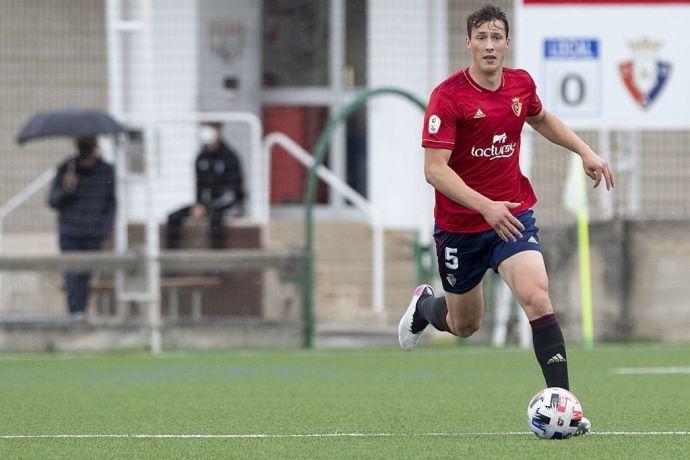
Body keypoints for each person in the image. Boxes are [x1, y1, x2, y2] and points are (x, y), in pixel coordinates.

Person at [398, 4, 615, 435]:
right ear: (469, 44)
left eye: (497, 37)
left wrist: (585, 151)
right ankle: (425, 305)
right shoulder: (448, 97)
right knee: (465, 325)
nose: (490, 45)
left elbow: (541, 118)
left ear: (507, 42)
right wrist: (484, 205)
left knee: (537, 297)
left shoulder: (520, 85)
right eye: (481, 37)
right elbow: (434, 170)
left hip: (512, 215)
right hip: (461, 227)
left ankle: (567, 407)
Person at [48, 136, 116, 317]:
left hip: (94, 233)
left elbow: (111, 203)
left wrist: (106, 229)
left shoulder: (106, 171)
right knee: (71, 275)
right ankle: (74, 314)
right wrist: (66, 189)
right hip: (70, 232)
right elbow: (53, 201)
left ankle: (81, 313)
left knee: (86, 277)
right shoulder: (66, 169)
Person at [166, 122, 246, 250]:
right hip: (207, 204)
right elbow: (200, 185)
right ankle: (172, 263)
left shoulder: (230, 157)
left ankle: (216, 265)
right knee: (173, 217)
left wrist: (209, 206)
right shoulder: (201, 157)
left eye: (210, 128)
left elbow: (234, 192)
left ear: (218, 130)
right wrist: (199, 204)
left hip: (227, 204)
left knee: (215, 218)